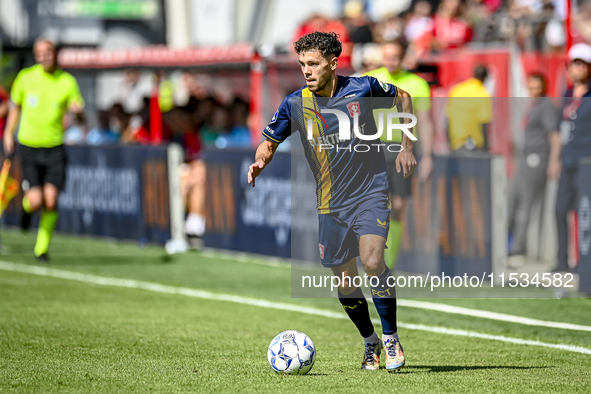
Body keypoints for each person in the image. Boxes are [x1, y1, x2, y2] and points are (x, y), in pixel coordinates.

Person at [247, 32, 416, 372]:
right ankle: (370, 342)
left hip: (371, 192)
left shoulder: (363, 89)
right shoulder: (295, 104)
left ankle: (391, 337)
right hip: (330, 204)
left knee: (371, 260)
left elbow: (404, 97)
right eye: (302, 65)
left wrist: (406, 144)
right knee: (346, 281)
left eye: (313, 64)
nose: (306, 71)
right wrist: (260, 160)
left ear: (333, 64)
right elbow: (269, 141)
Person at [3, 38, 85, 262]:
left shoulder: (67, 82)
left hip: (54, 147)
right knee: (36, 200)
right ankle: (26, 210)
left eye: (47, 52)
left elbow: (79, 114)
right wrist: (8, 133)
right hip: (29, 145)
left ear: (55, 53)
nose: (44, 56)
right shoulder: (26, 77)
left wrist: (78, 113)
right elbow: (15, 107)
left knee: (51, 200)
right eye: (39, 53)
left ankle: (41, 249)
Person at [364, 39, 434, 269]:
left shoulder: (417, 84)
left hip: (403, 149)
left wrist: (428, 155)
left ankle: (387, 264)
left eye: (395, 56)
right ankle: (372, 257)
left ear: (403, 57)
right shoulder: (370, 79)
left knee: (399, 206)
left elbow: (424, 121)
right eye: (387, 56)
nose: (390, 61)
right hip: (374, 148)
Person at [507, 74, 560, 264]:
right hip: (525, 157)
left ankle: (518, 249)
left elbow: (554, 135)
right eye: (531, 87)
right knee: (514, 201)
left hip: (537, 159)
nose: (534, 90)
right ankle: (509, 245)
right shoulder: (533, 106)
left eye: (537, 86)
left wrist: (554, 161)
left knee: (525, 205)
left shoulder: (546, 107)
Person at [549, 43, 591, 272]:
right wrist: (554, 159)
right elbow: (558, 129)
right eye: (574, 63)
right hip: (568, 160)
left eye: (581, 63)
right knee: (559, 209)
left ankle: (584, 262)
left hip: (586, 163)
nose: (576, 68)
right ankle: (562, 261)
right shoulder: (566, 94)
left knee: (584, 213)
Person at [446, 65, 492, 156]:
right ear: (485, 78)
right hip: (475, 145)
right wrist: (486, 148)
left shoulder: (456, 90)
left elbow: (448, 118)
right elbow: (484, 124)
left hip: (456, 143)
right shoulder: (482, 94)